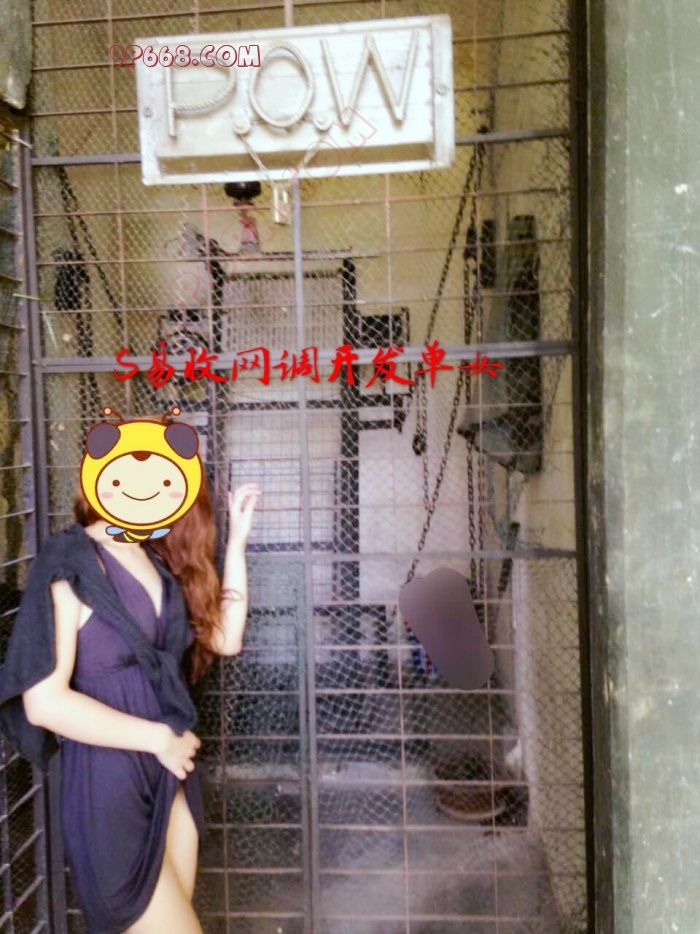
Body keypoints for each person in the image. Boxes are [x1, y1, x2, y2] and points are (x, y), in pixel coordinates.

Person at [18, 472, 261, 933]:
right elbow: (43, 702)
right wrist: (158, 740)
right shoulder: (70, 559)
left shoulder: (156, 557)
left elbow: (225, 639)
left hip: (171, 780)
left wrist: (237, 544)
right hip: (111, 783)